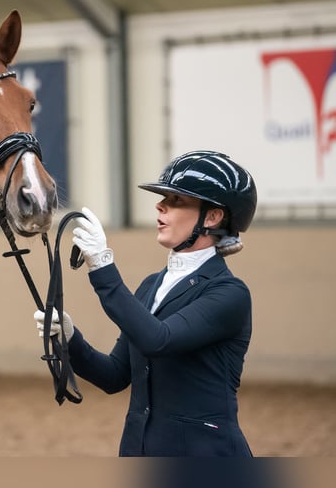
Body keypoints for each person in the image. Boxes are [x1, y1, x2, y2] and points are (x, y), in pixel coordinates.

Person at [35, 150, 257, 456]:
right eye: (164, 197)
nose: (160, 205)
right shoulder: (150, 286)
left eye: (177, 200)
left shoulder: (229, 294)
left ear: (214, 216)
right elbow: (114, 376)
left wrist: (102, 265)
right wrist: (70, 339)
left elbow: (158, 340)